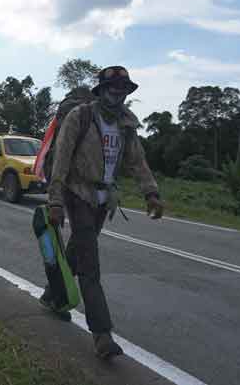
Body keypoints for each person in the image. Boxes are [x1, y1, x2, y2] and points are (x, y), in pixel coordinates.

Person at [44, 65, 164, 359]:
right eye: (113, 89)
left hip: (103, 198)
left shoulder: (126, 124)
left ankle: (52, 296)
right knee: (90, 266)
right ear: (102, 91)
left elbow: (137, 161)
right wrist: (56, 201)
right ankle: (102, 334)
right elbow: (61, 159)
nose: (119, 94)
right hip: (77, 192)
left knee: (77, 251)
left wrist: (151, 193)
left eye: (124, 90)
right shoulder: (80, 117)